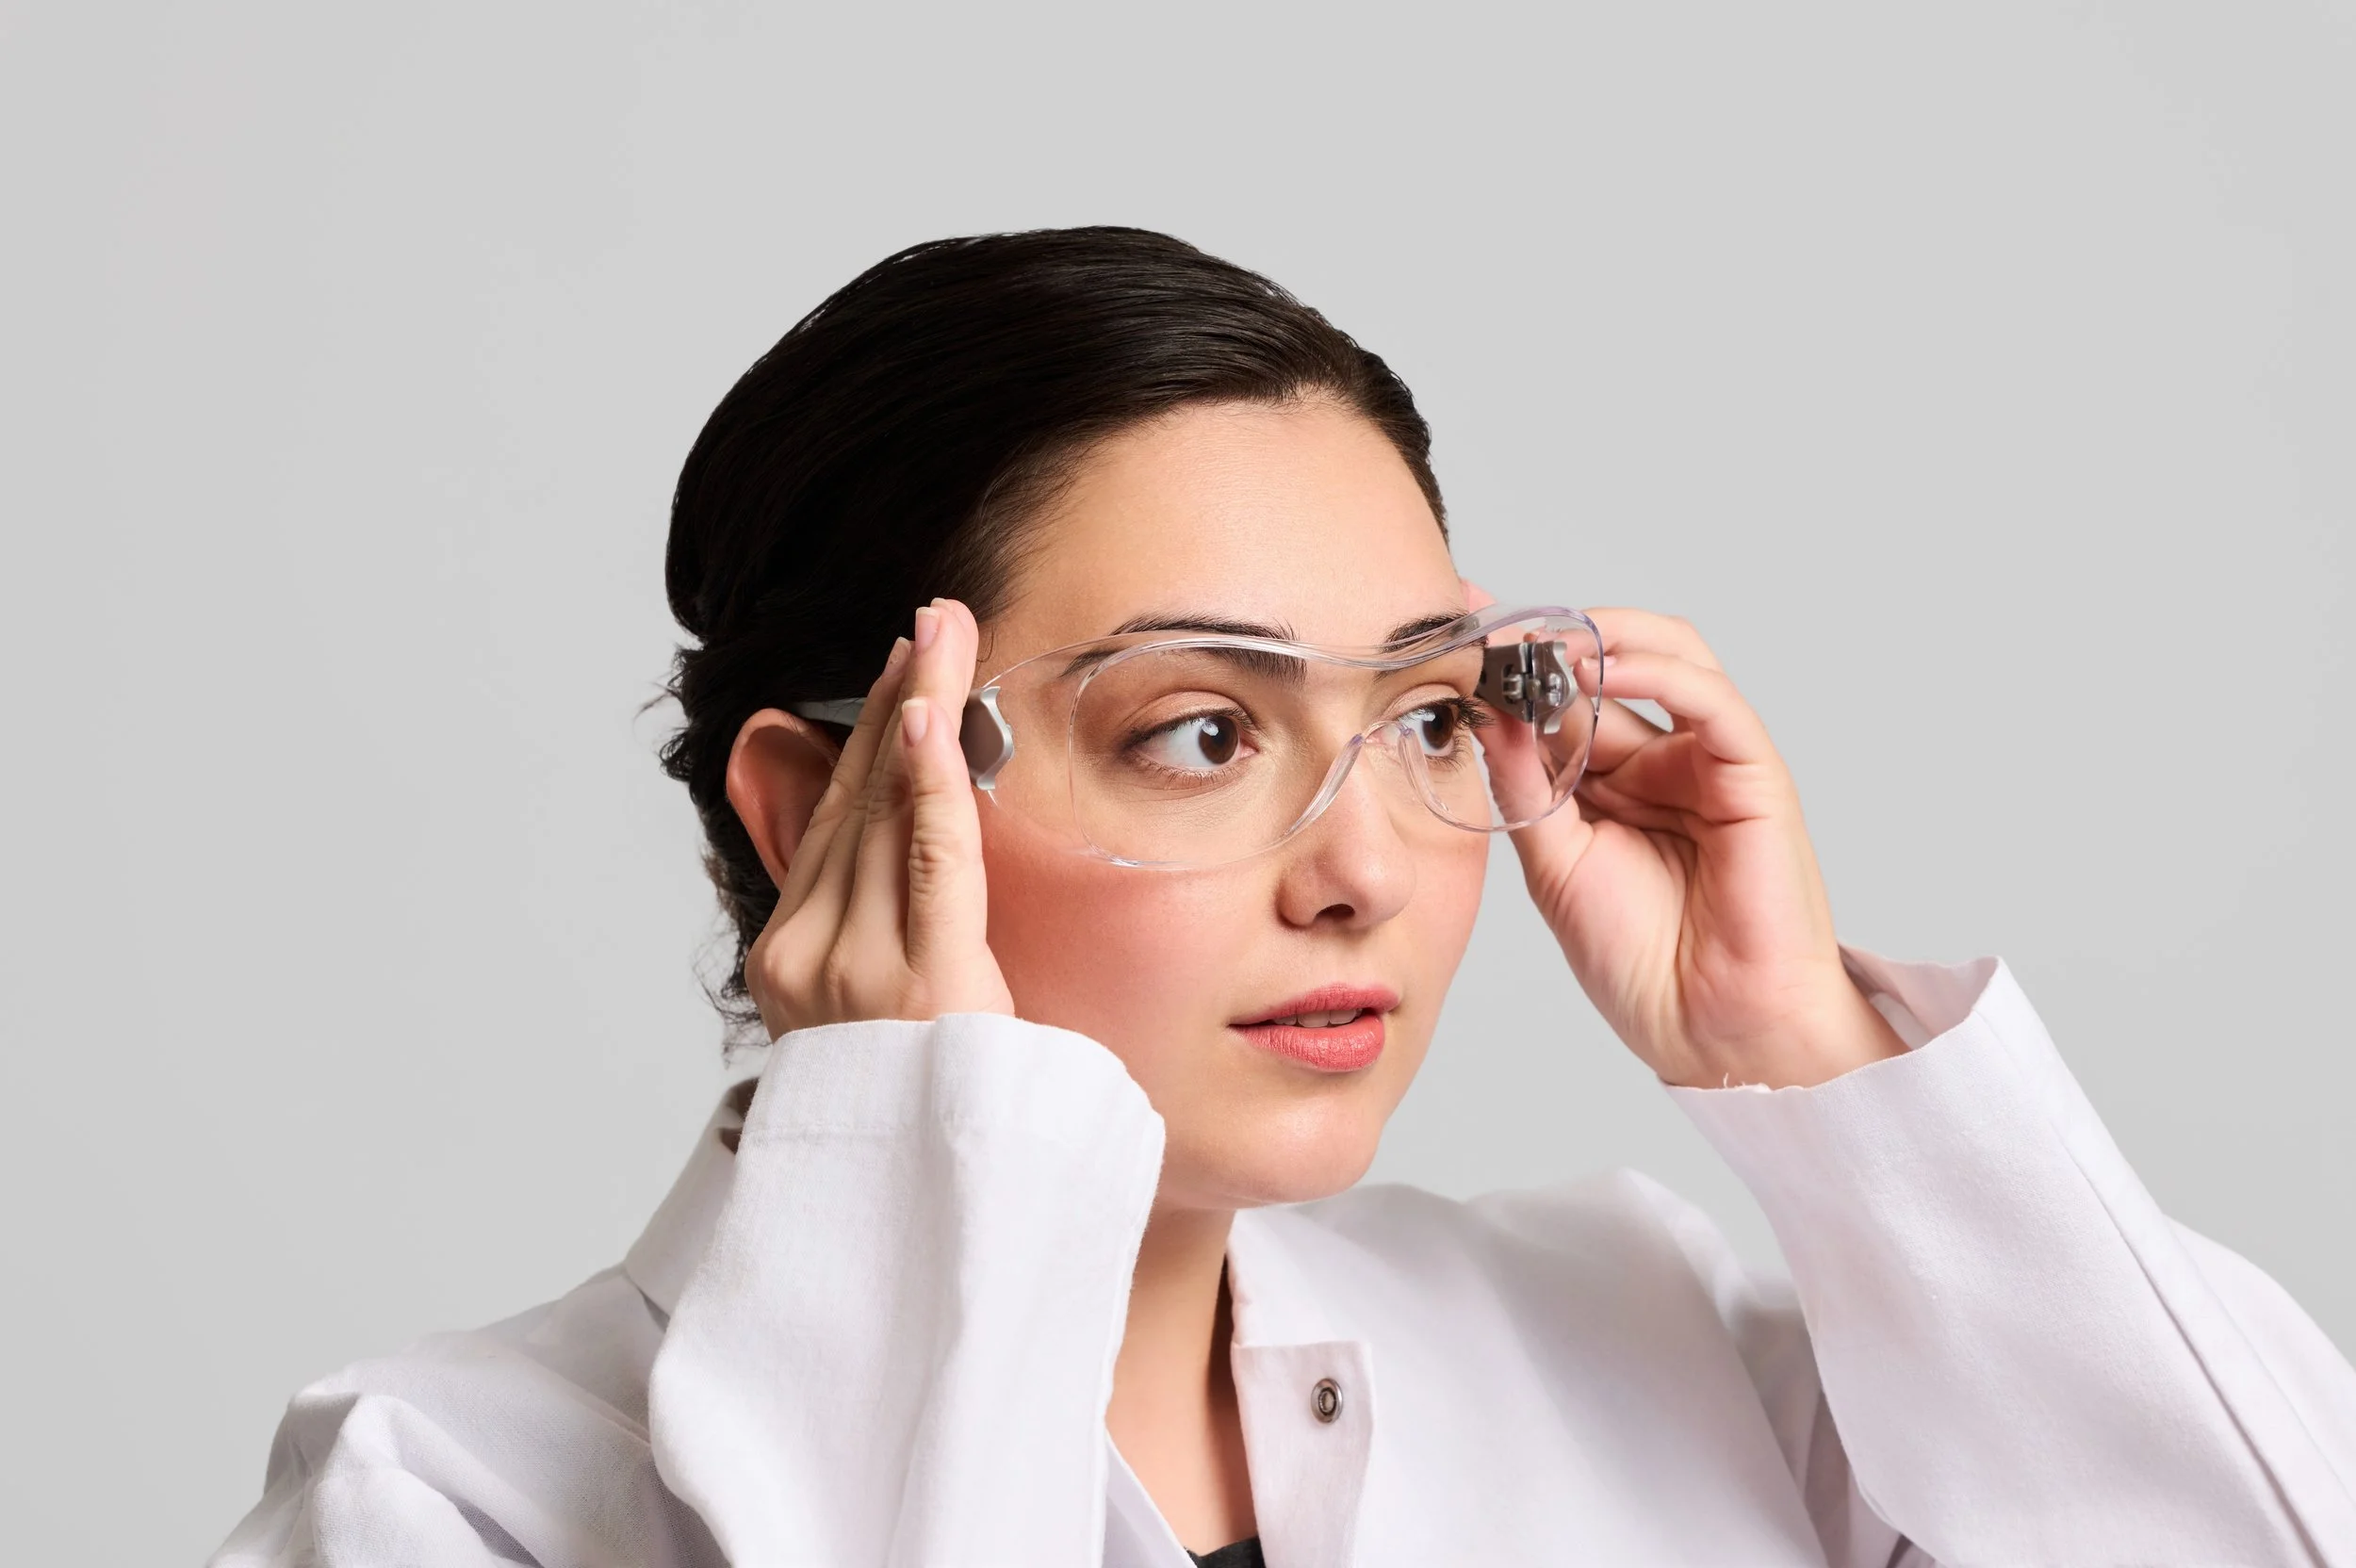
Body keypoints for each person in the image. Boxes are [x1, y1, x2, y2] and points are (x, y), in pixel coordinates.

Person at [209, 227, 2356, 1567]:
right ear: (821, 807)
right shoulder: (446, 1502)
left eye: (1422, 719)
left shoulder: (1648, 1334)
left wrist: (1802, 1061)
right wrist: (916, 1183)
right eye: (1200, 733)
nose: (1362, 873)